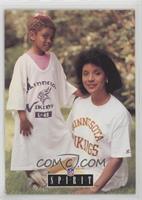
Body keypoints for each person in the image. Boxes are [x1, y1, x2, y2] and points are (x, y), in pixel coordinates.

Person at [7, 14, 77, 189]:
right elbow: (17, 89)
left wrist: (78, 93)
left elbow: (62, 83)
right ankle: (34, 176)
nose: (49, 40)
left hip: (51, 115)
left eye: (51, 37)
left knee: (64, 139)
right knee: (33, 145)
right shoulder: (23, 62)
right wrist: (22, 116)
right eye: (45, 36)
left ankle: (49, 176)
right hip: (31, 118)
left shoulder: (53, 60)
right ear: (32, 35)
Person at [67, 48, 132, 193]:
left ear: (106, 76)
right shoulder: (79, 103)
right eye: (85, 73)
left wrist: (93, 190)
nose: (90, 79)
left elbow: (117, 158)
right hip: (82, 167)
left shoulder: (118, 113)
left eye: (97, 73)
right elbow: (68, 137)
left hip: (107, 175)